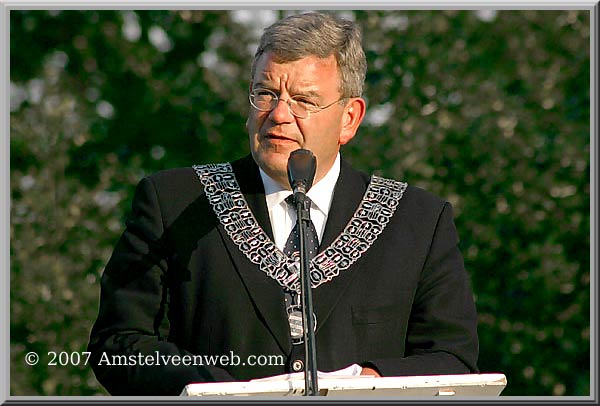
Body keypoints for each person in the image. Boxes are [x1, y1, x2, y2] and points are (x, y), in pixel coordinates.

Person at [88, 12, 479, 396]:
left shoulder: (417, 221)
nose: (278, 115)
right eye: (265, 94)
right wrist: (221, 390)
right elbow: (117, 346)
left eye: (304, 100)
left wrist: (366, 381)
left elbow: (452, 360)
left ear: (349, 118)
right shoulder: (174, 202)